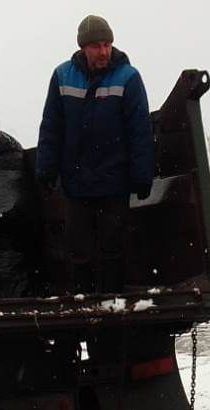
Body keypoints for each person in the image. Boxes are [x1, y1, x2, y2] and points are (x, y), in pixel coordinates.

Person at [35, 15, 155, 293]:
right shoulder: (62, 76)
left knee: (112, 251)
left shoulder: (128, 78)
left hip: (114, 182)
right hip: (76, 185)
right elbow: (52, 126)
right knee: (80, 254)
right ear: (83, 48)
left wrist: (142, 176)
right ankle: (85, 308)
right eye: (97, 46)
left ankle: (110, 310)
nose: (104, 52)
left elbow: (140, 130)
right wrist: (46, 169)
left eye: (107, 45)